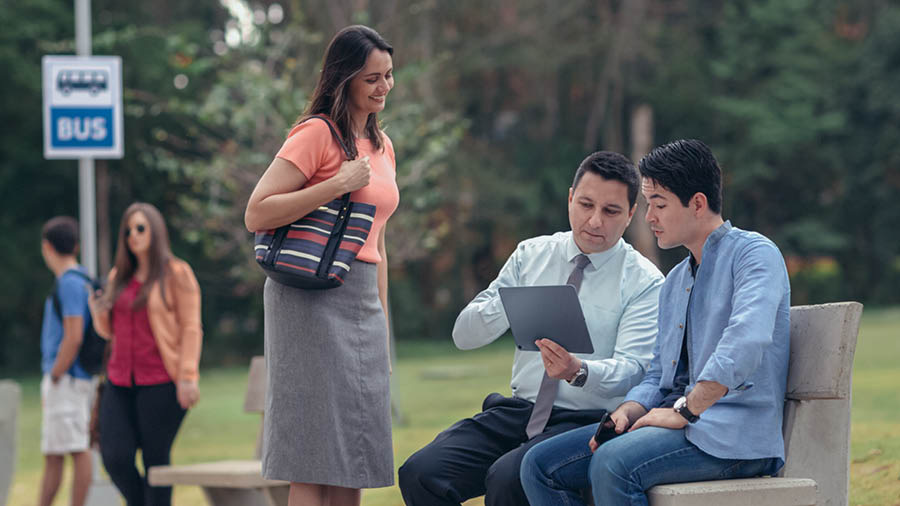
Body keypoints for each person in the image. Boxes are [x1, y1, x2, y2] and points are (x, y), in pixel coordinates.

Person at [520, 139, 791, 505]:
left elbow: (745, 342)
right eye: (649, 205)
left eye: (658, 205)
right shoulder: (676, 281)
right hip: (678, 425)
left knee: (613, 463)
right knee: (539, 464)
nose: (649, 217)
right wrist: (628, 411)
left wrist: (685, 410)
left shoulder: (754, 255)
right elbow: (659, 374)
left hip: (734, 437)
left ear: (697, 203)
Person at [398, 151, 664, 506]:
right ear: (570, 198)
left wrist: (578, 371)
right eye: (585, 204)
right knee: (420, 472)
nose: (594, 221)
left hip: (585, 420)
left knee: (508, 478)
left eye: (611, 211)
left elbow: (635, 370)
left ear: (631, 214)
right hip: (518, 412)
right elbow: (464, 336)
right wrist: (511, 301)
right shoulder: (530, 254)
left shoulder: (644, 281)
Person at [243, 25, 399, 506]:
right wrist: (335, 184)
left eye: (389, 75)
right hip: (307, 300)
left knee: (354, 452)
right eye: (372, 77)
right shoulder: (315, 134)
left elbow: (379, 240)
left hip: (362, 300)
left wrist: (382, 319)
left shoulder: (383, 145)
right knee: (311, 453)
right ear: (344, 79)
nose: (384, 87)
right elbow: (257, 212)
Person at [87, 202, 202, 506]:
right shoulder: (118, 277)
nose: (133, 236)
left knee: (156, 460)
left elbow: (191, 327)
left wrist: (188, 376)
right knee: (114, 457)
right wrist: (98, 313)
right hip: (119, 381)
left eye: (140, 228)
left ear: (156, 231)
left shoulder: (177, 274)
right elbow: (109, 331)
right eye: (127, 231)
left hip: (162, 381)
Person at [37, 216, 94, 506]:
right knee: (55, 451)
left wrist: (57, 373)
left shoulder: (69, 283)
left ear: (47, 247)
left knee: (76, 447)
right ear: (76, 245)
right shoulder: (82, 279)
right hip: (73, 376)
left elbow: (73, 336)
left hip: (67, 377)